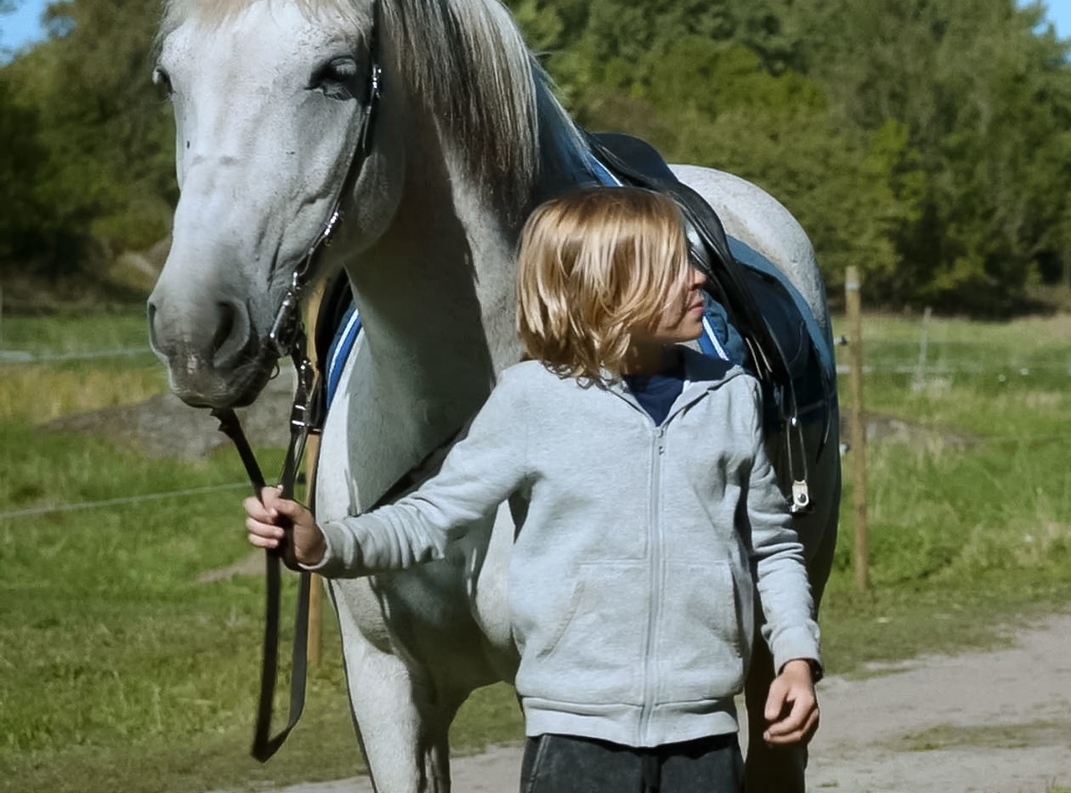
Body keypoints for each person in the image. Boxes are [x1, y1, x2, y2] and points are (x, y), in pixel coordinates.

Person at [244, 186, 821, 792]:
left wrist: (797, 659)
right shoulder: (530, 401)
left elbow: (775, 548)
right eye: (675, 265)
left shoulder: (730, 396)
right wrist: (326, 544)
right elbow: (428, 517)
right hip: (574, 741)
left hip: (705, 737)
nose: (700, 278)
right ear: (613, 286)